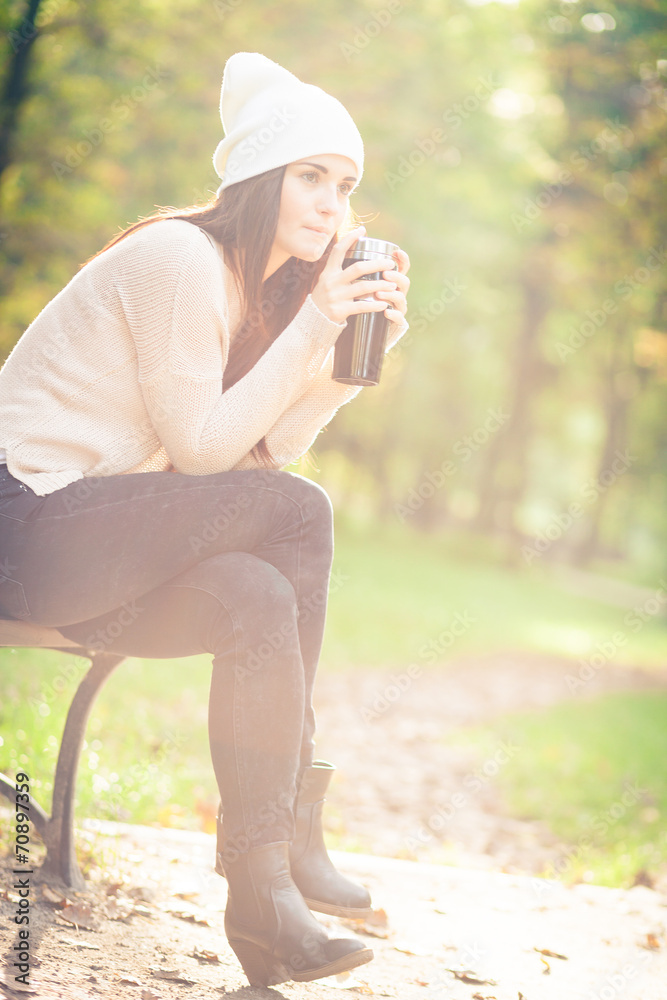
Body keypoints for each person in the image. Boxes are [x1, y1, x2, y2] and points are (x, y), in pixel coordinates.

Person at [0, 52, 410, 986]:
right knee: (296, 517)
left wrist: (342, 365)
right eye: (310, 176)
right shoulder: (177, 259)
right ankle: (294, 837)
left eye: (344, 185)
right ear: (259, 177)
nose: (329, 203)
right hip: (21, 527)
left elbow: (261, 457)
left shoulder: (250, 296)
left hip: (98, 550)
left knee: (256, 593)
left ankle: (263, 896)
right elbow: (204, 452)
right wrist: (314, 324)